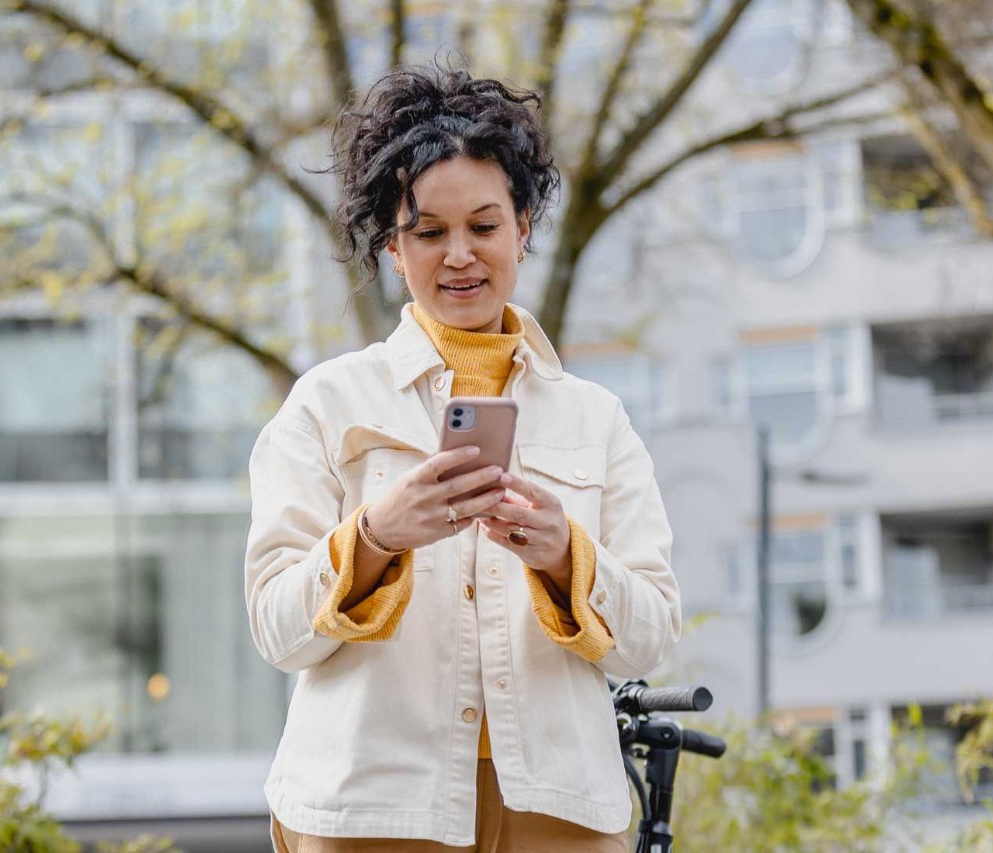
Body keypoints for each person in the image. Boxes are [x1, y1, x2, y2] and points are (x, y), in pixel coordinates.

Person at [244, 65, 681, 852]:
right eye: (428, 232)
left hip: (560, 812)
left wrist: (565, 556)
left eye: (483, 226)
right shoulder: (325, 404)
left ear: (523, 227)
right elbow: (277, 630)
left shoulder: (597, 419)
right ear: (392, 245)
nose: (459, 256)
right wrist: (374, 536)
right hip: (372, 810)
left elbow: (649, 635)